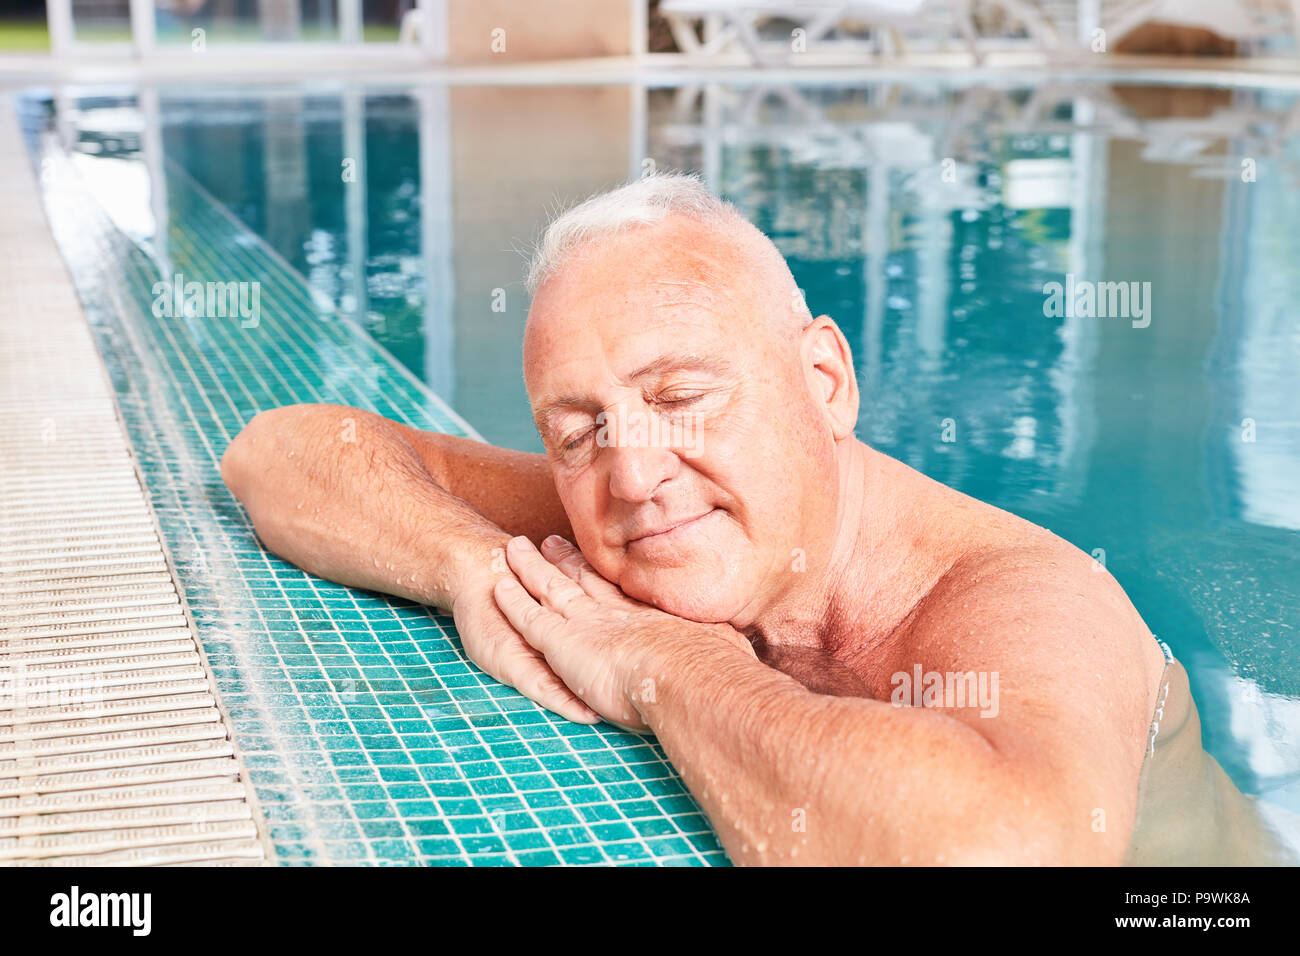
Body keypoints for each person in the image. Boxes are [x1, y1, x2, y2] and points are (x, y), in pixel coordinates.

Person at [221, 173, 1279, 865]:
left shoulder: (1022, 597)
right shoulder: (654, 500)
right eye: (577, 427)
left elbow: (997, 849)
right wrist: (469, 568)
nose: (632, 473)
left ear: (823, 380)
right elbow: (281, 449)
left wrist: (662, 662)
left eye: (682, 396)